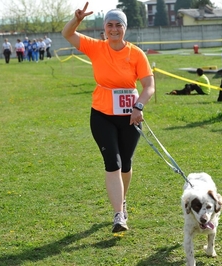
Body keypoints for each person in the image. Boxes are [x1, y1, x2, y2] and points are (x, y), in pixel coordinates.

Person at [62, 3, 155, 233]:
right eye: (110, 25)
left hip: (129, 116)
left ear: (125, 29)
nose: (114, 29)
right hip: (102, 114)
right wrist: (77, 19)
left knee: (125, 163)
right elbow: (67, 34)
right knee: (112, 163)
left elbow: (149, 86)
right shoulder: (96, 47)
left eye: (118, 25)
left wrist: (139, 106)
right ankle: (118, 215)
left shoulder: (136, 53)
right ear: (104, 29)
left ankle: (122, 201)